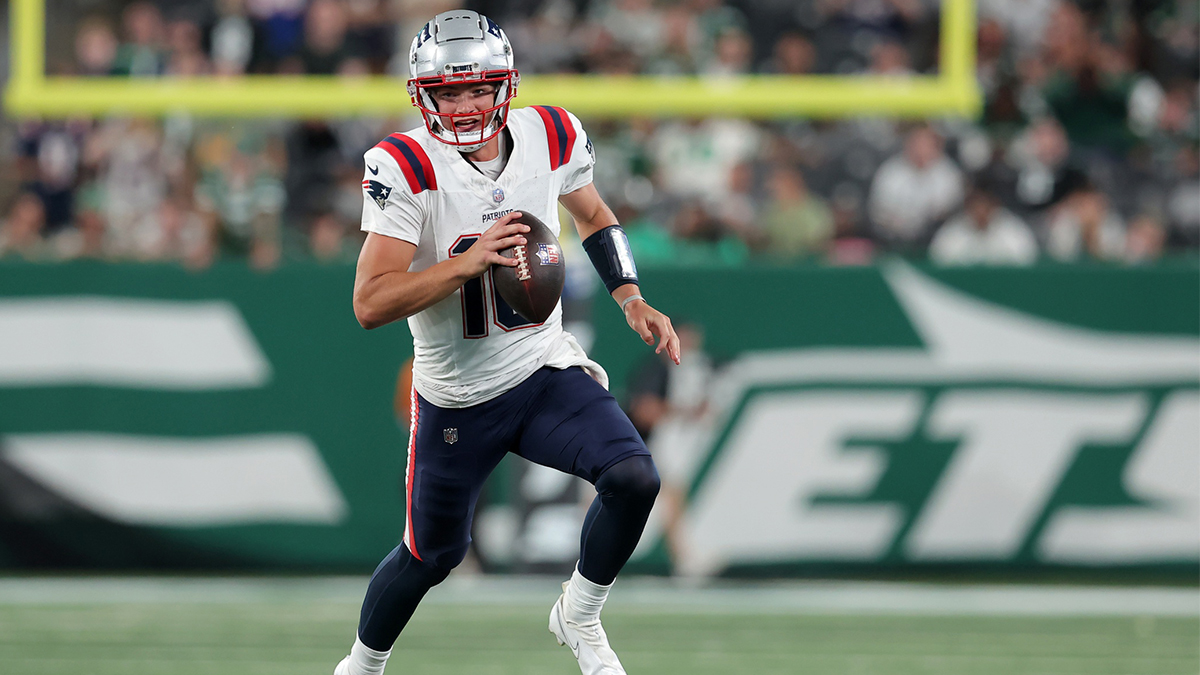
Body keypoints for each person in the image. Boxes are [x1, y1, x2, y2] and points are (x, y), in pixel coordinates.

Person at [335, 11, 680, 675]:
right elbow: (369, 302)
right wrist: (461, 266)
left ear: (507, 86)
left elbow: (595, 215)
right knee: (431, 554)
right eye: (449, 93)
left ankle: (579, 611)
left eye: (478, 88)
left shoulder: (550, 132)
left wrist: (630, 297)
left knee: (634, 476)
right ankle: (361, 664)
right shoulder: (405, 164)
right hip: (458, 397)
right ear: (422, 96)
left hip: (541, 369)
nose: (465, 105)